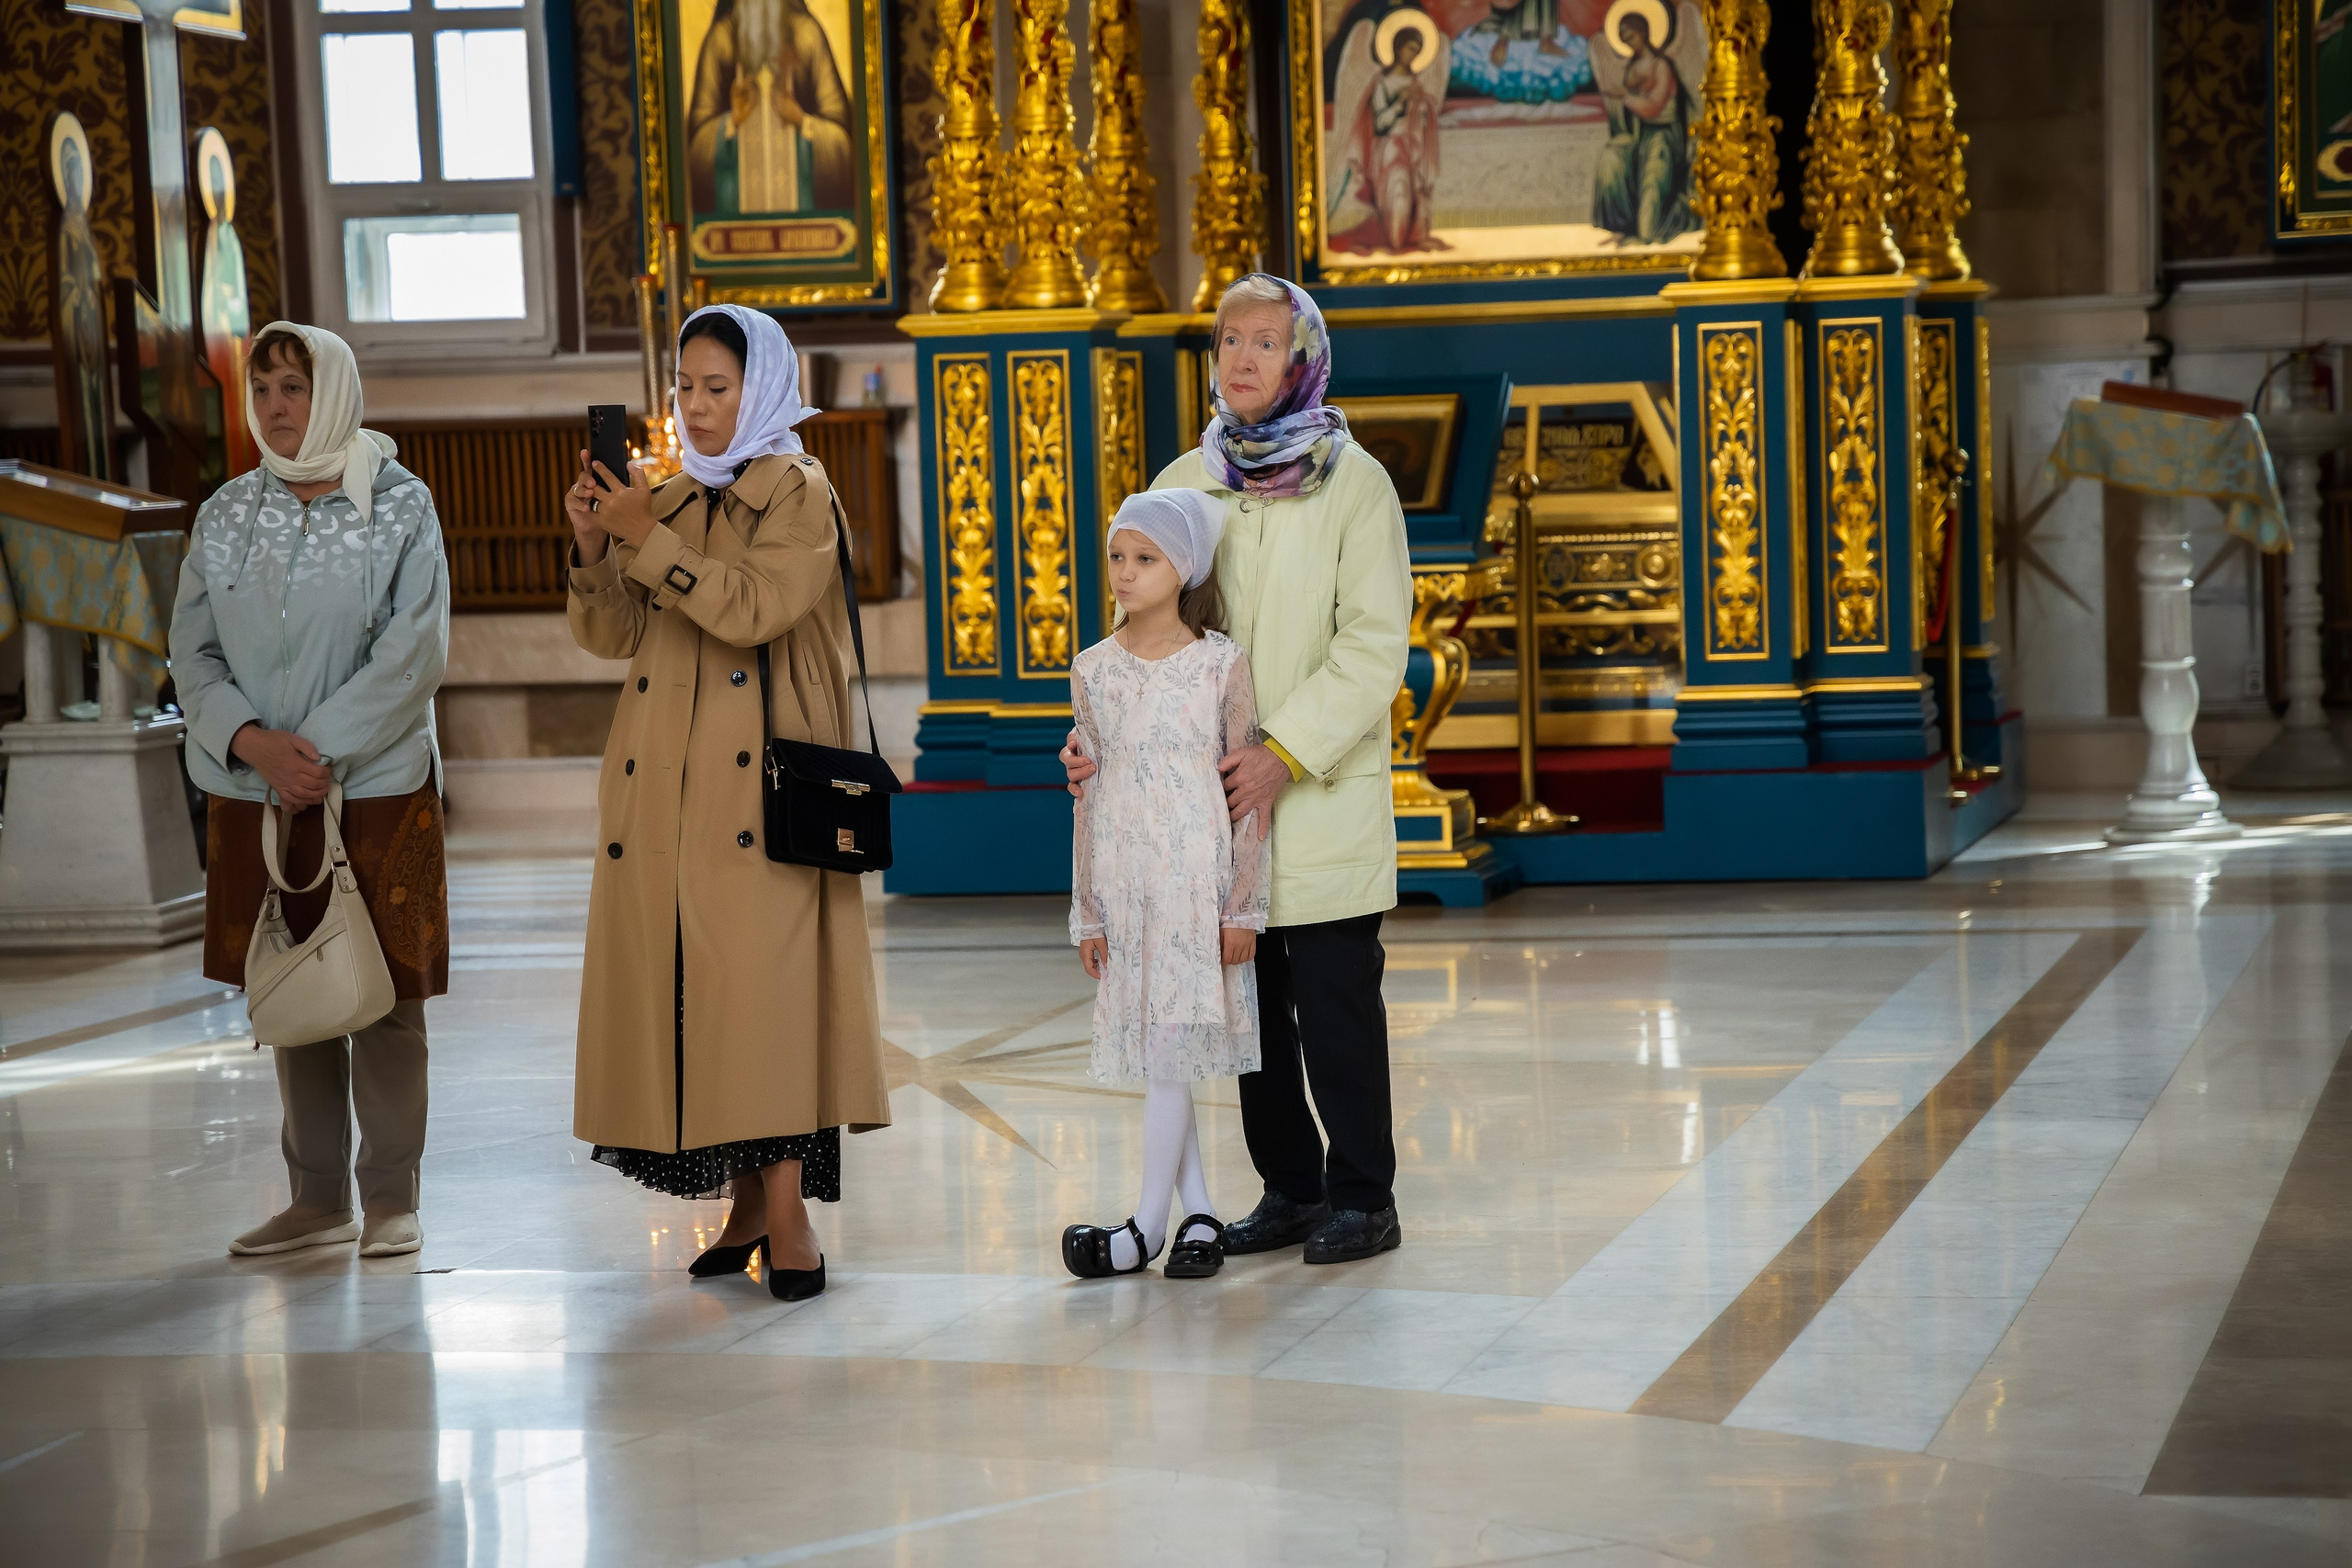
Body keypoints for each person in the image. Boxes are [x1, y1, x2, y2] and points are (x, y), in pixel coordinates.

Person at [1064, 274, 1412, 1265]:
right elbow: (1140, 618)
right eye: (1229, 340)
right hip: (1203, 804)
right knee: (1249, 1002)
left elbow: (1373, 644)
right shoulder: (1187, 477)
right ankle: (1291, 1188)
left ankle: (1364, 1197)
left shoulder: (1355, 482)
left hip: (1317, 788)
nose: (1245, 358)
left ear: (1303, 359)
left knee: (1336, 1001)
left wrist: (1283, 750)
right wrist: (1093, 732)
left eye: (1267, 341)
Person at [564, 302, 889, 1303]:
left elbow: (753, 608)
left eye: (718, 387)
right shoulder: (666, 496)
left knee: (763, 1002)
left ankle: (788, 1219)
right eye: (685, 388)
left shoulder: (798, 490)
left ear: (764, 388)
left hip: (762, 789)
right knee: (698, 1000)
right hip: (664, 791)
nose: (696, 407)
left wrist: (644, 537)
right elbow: (611, 638)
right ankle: (745, 1208)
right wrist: (595, 545)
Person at [170, 321, 451, 1260]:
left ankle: (391, 1198)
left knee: (385, 994)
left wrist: (312, 752)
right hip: (259, 788)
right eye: (263, 389)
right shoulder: (226, 512)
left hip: (375, 784)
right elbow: (191, 653)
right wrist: (254, 744)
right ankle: (317, 1199)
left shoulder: (400, 504)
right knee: (290, 979)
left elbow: (415, 651)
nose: (277, 406)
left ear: (331, 392)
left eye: (295, 386)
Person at [1061, 490, 1271, 1280]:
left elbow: (1249, 803)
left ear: (1182, 570)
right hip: (1126, 885)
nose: (1125, 572)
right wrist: (1088, 912)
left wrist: (1244, 904)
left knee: (1169, 1049)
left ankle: (1145, 1226)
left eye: (1145, 558)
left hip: (1195, 886)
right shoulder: (1092, 669)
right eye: (1118, 555)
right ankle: (1201, 1212)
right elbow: (1085, 799)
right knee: (1163, 1053)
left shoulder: (1221, 664)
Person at [1327, 14, 1446, 256]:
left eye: (1417, 51)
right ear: (1397, 47)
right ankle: (1394, 241)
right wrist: (1401, 102)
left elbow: (1424, 118)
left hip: (1413, 150)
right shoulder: (1382, 82)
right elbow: (1380, 124)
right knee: (1397, 193)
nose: (1412, 55)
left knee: (1413, 196)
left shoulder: (1415, 82)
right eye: (1409, 48)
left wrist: (1422, 108)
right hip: (1389, 151)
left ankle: (1407, 239)